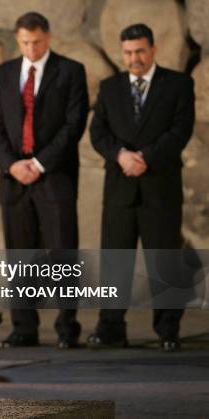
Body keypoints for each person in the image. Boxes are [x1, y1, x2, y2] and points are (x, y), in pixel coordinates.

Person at [89, 23, 195, 352]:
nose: (134, 58)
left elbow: (181, 130)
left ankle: (167, 330)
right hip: (120, 189)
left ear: (153, 49)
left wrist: (146, 157)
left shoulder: (178, 85)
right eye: (128, 52)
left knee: (164, 261)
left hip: (160, 187)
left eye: (140, 51)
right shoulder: (109, 88)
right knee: (114, 261)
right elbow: (98, 132)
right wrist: (120, 155)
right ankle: (110, 329)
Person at [0, 12, 89, 348]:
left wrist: (40, 163)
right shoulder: (4, 73)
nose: (31, 49)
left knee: (62, 253)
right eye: (25, 43)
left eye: (37, 42)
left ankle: (67, 328)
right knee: (19, 253)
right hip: (13, 179)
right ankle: (24, 328)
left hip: (54, 176)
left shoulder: (71, 71)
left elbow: (73, 124)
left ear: (48, 38)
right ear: (18, 40)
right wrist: (12, 164)